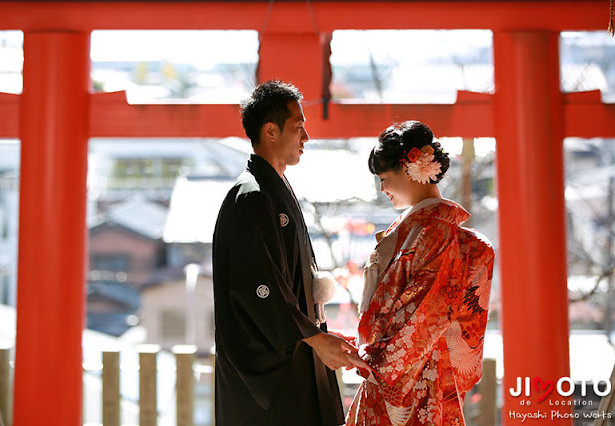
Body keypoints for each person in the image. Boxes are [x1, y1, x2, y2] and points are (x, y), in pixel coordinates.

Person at [212, 80, 353, 426]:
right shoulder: (252, 197)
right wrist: (314, 337)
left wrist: (318, 333)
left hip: (293, 356)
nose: (306, 138)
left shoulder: (270, 190)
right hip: (267, 375)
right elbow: (260, 288)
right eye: (299, 127)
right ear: (271, 131)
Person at [345, 121, 495, 425]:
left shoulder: (434, 230)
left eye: (385, 178)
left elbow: (426, 314)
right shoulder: (417, 227)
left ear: (411, 169)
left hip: (414, 378)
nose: (383, 189)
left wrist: (375, 362)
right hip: (398, 371)